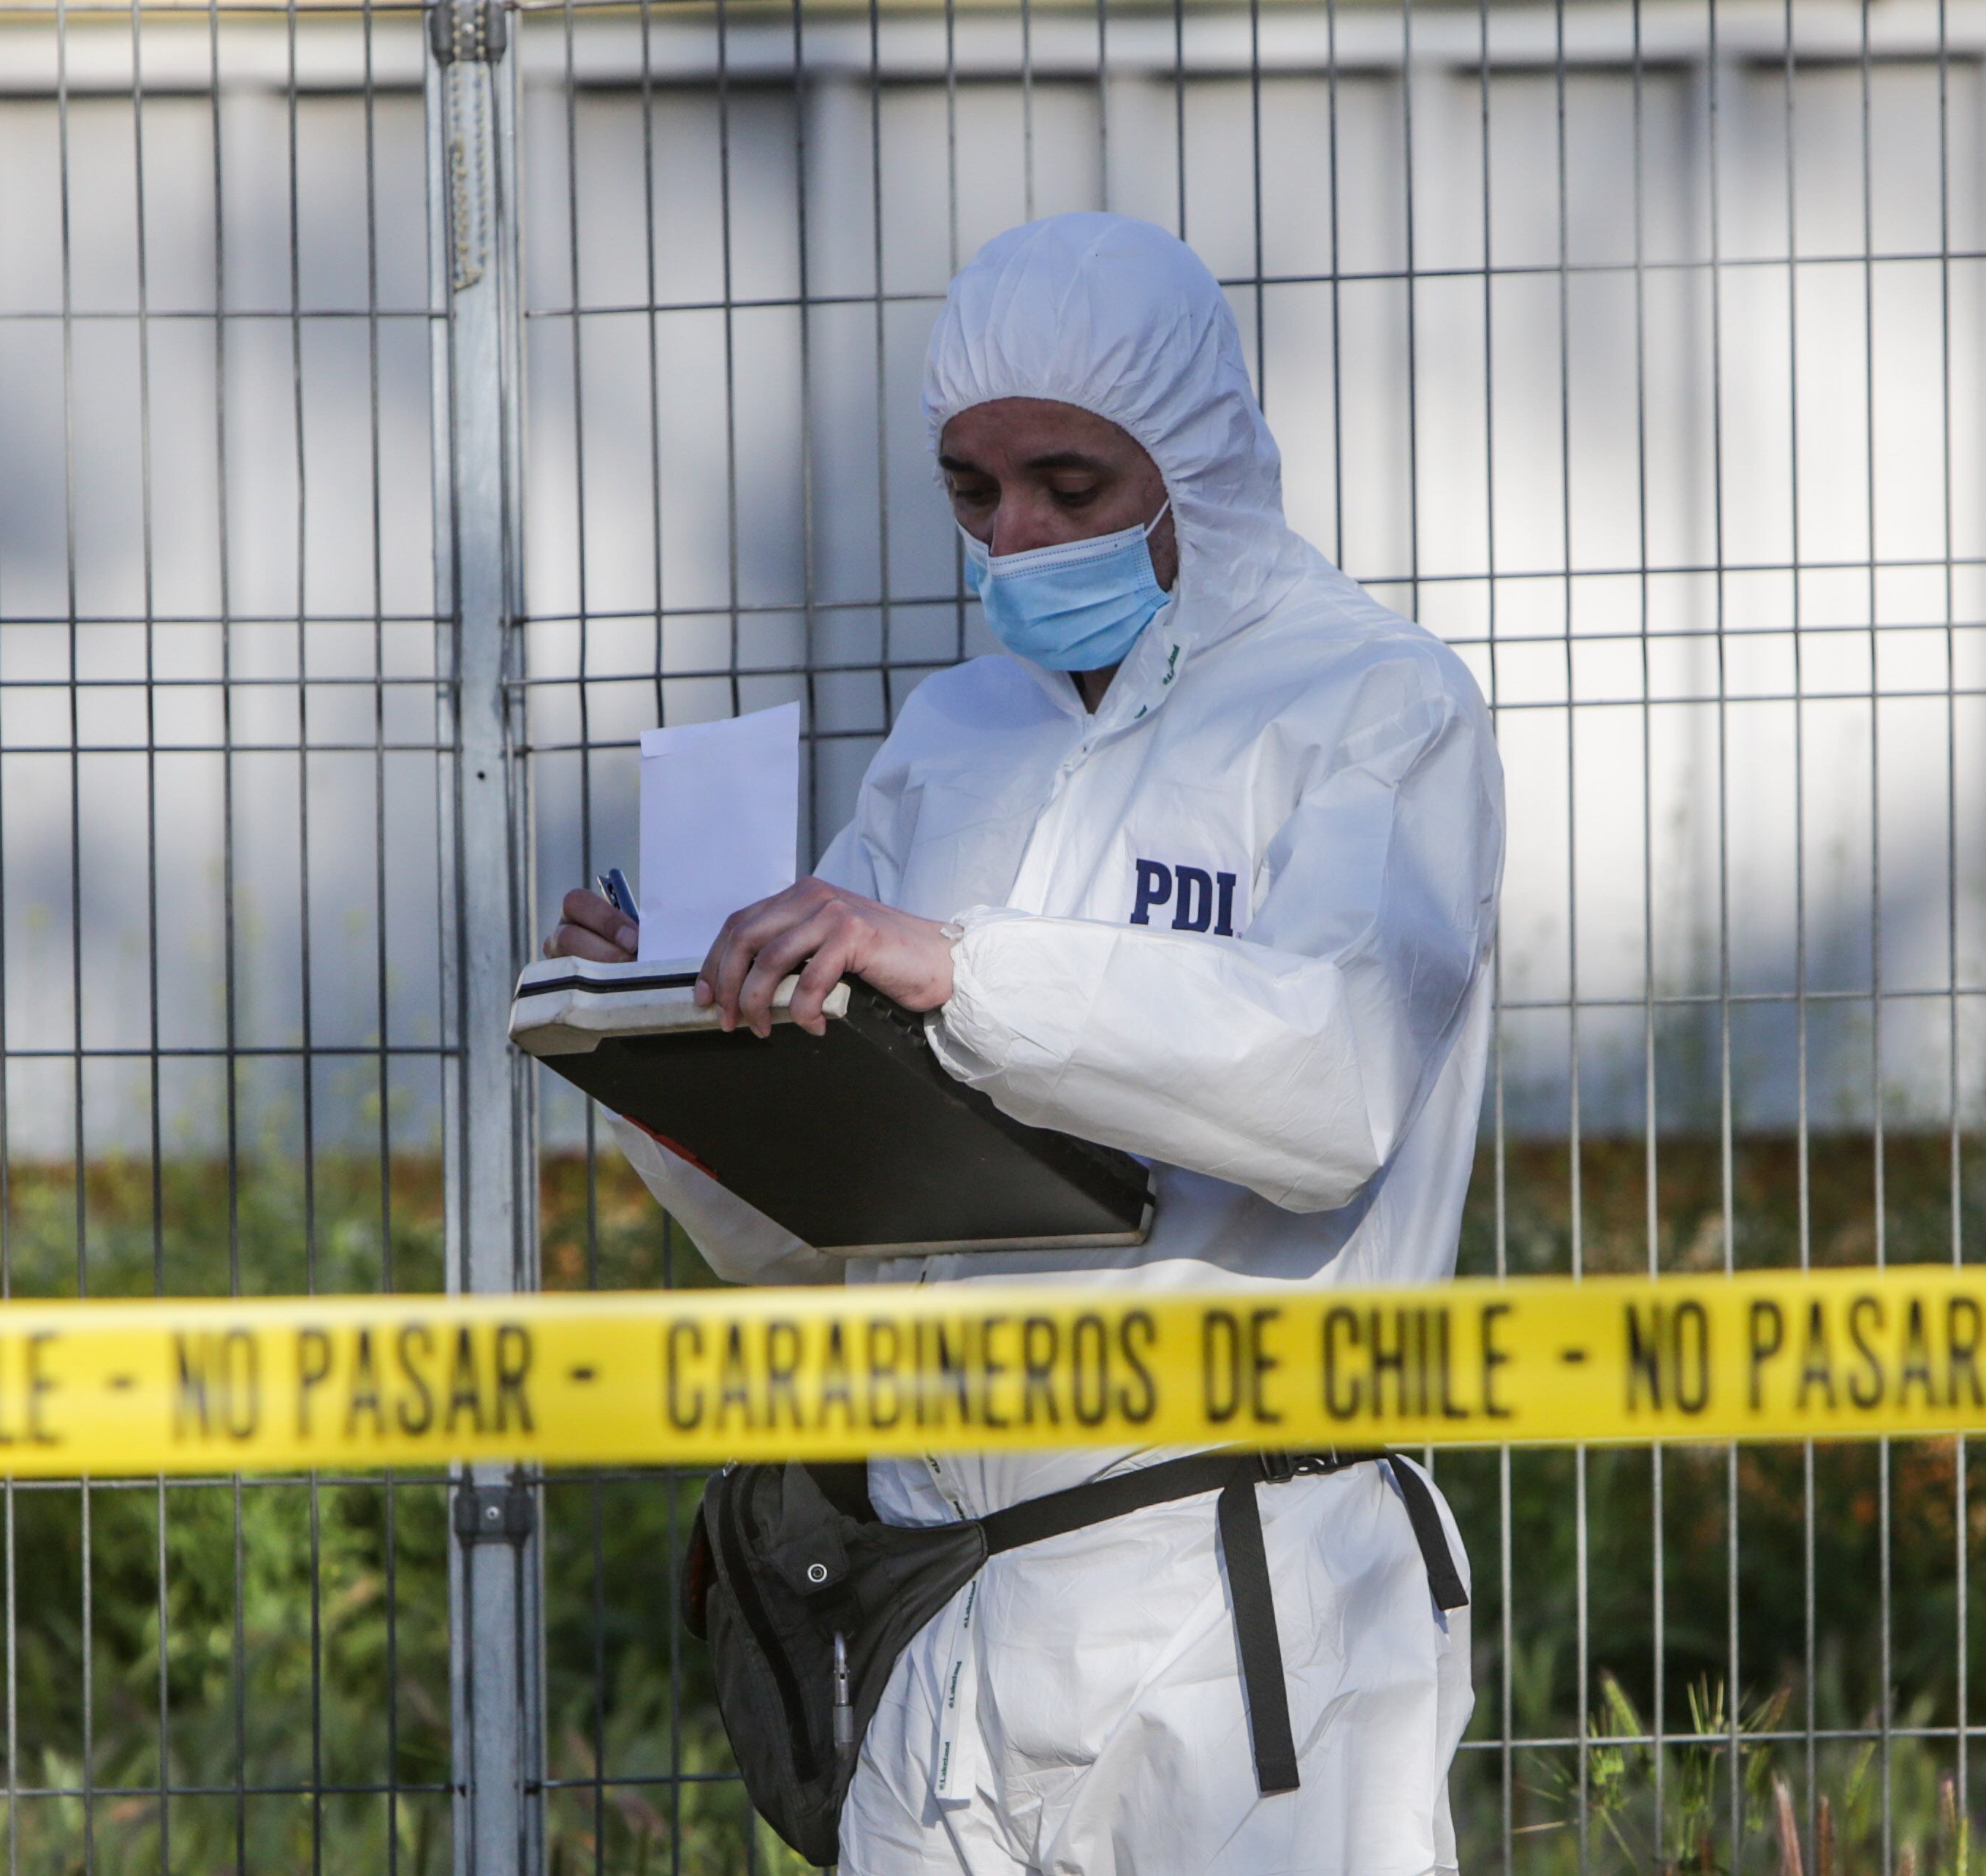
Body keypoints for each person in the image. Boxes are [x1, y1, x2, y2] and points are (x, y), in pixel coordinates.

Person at [539, 213, 1503, 1874]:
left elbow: (1333, 1084)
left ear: (1197, 462)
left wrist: (962, 973)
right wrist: (676, 1046)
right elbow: (800, 1238)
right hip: (936, 1615)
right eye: (972, 493)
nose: (1016, 537)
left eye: (1070, 483)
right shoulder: (953, 735)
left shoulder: (1370, 702)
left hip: (1243, 1603)